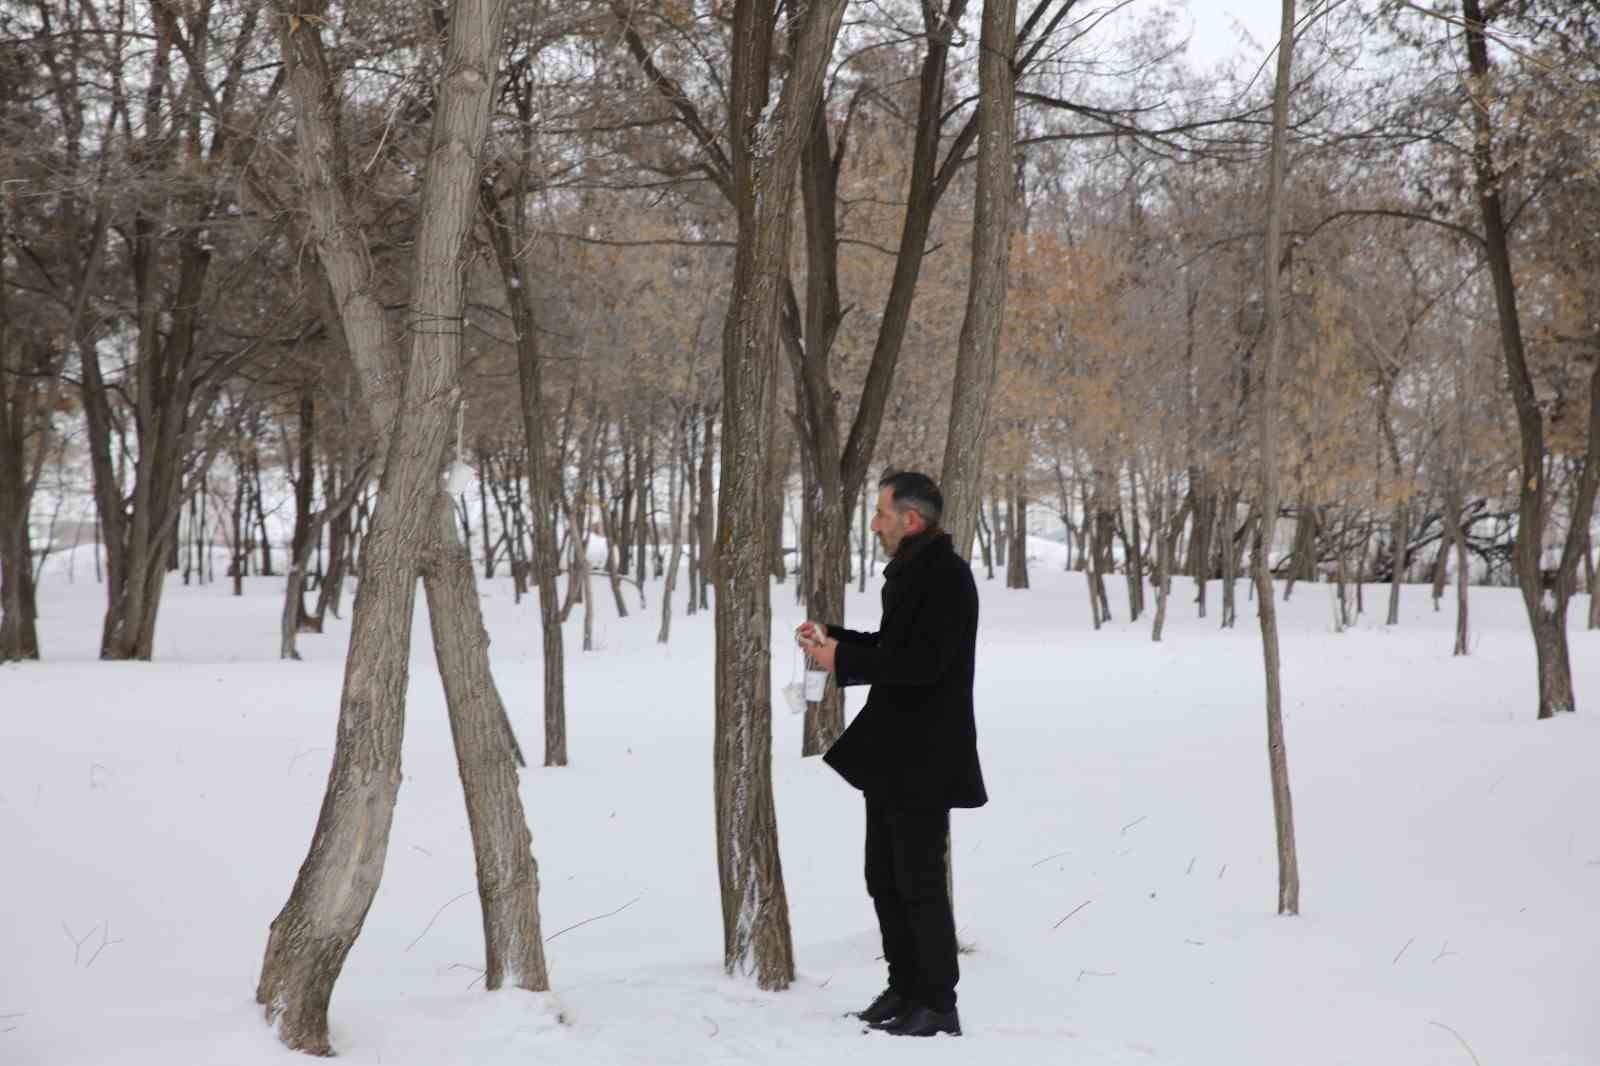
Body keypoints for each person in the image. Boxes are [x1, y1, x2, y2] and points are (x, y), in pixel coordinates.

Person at [797, 470, 987, 1038]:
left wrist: (844, 663)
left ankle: (936, 1003)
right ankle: (905, 987)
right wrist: (835, 638)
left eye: (881, 514)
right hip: (894, 753)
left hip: (925, 757)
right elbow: (894, 647)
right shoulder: (912, 572)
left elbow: (922, 666)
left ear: (911, 520)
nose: (875, 524)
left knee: (919, 880)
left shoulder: (946, 578)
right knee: (884, 874)